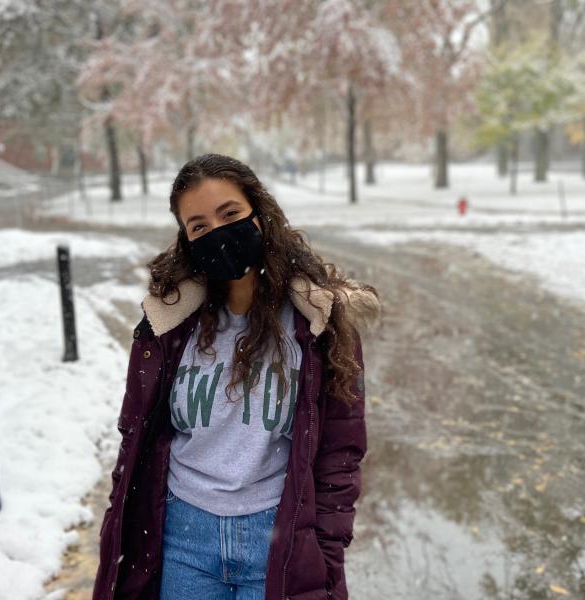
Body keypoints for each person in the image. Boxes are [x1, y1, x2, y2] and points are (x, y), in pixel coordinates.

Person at [92, 153, 381, 600]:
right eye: (200, 226)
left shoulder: (316, 322)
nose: (219, 234)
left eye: (230, 215)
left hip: (277, 538)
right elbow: (134, 439)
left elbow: (340, 455)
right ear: (187, 240)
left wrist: (325, 551)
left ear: (259, 215)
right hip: (182, 538)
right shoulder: (169, 324)